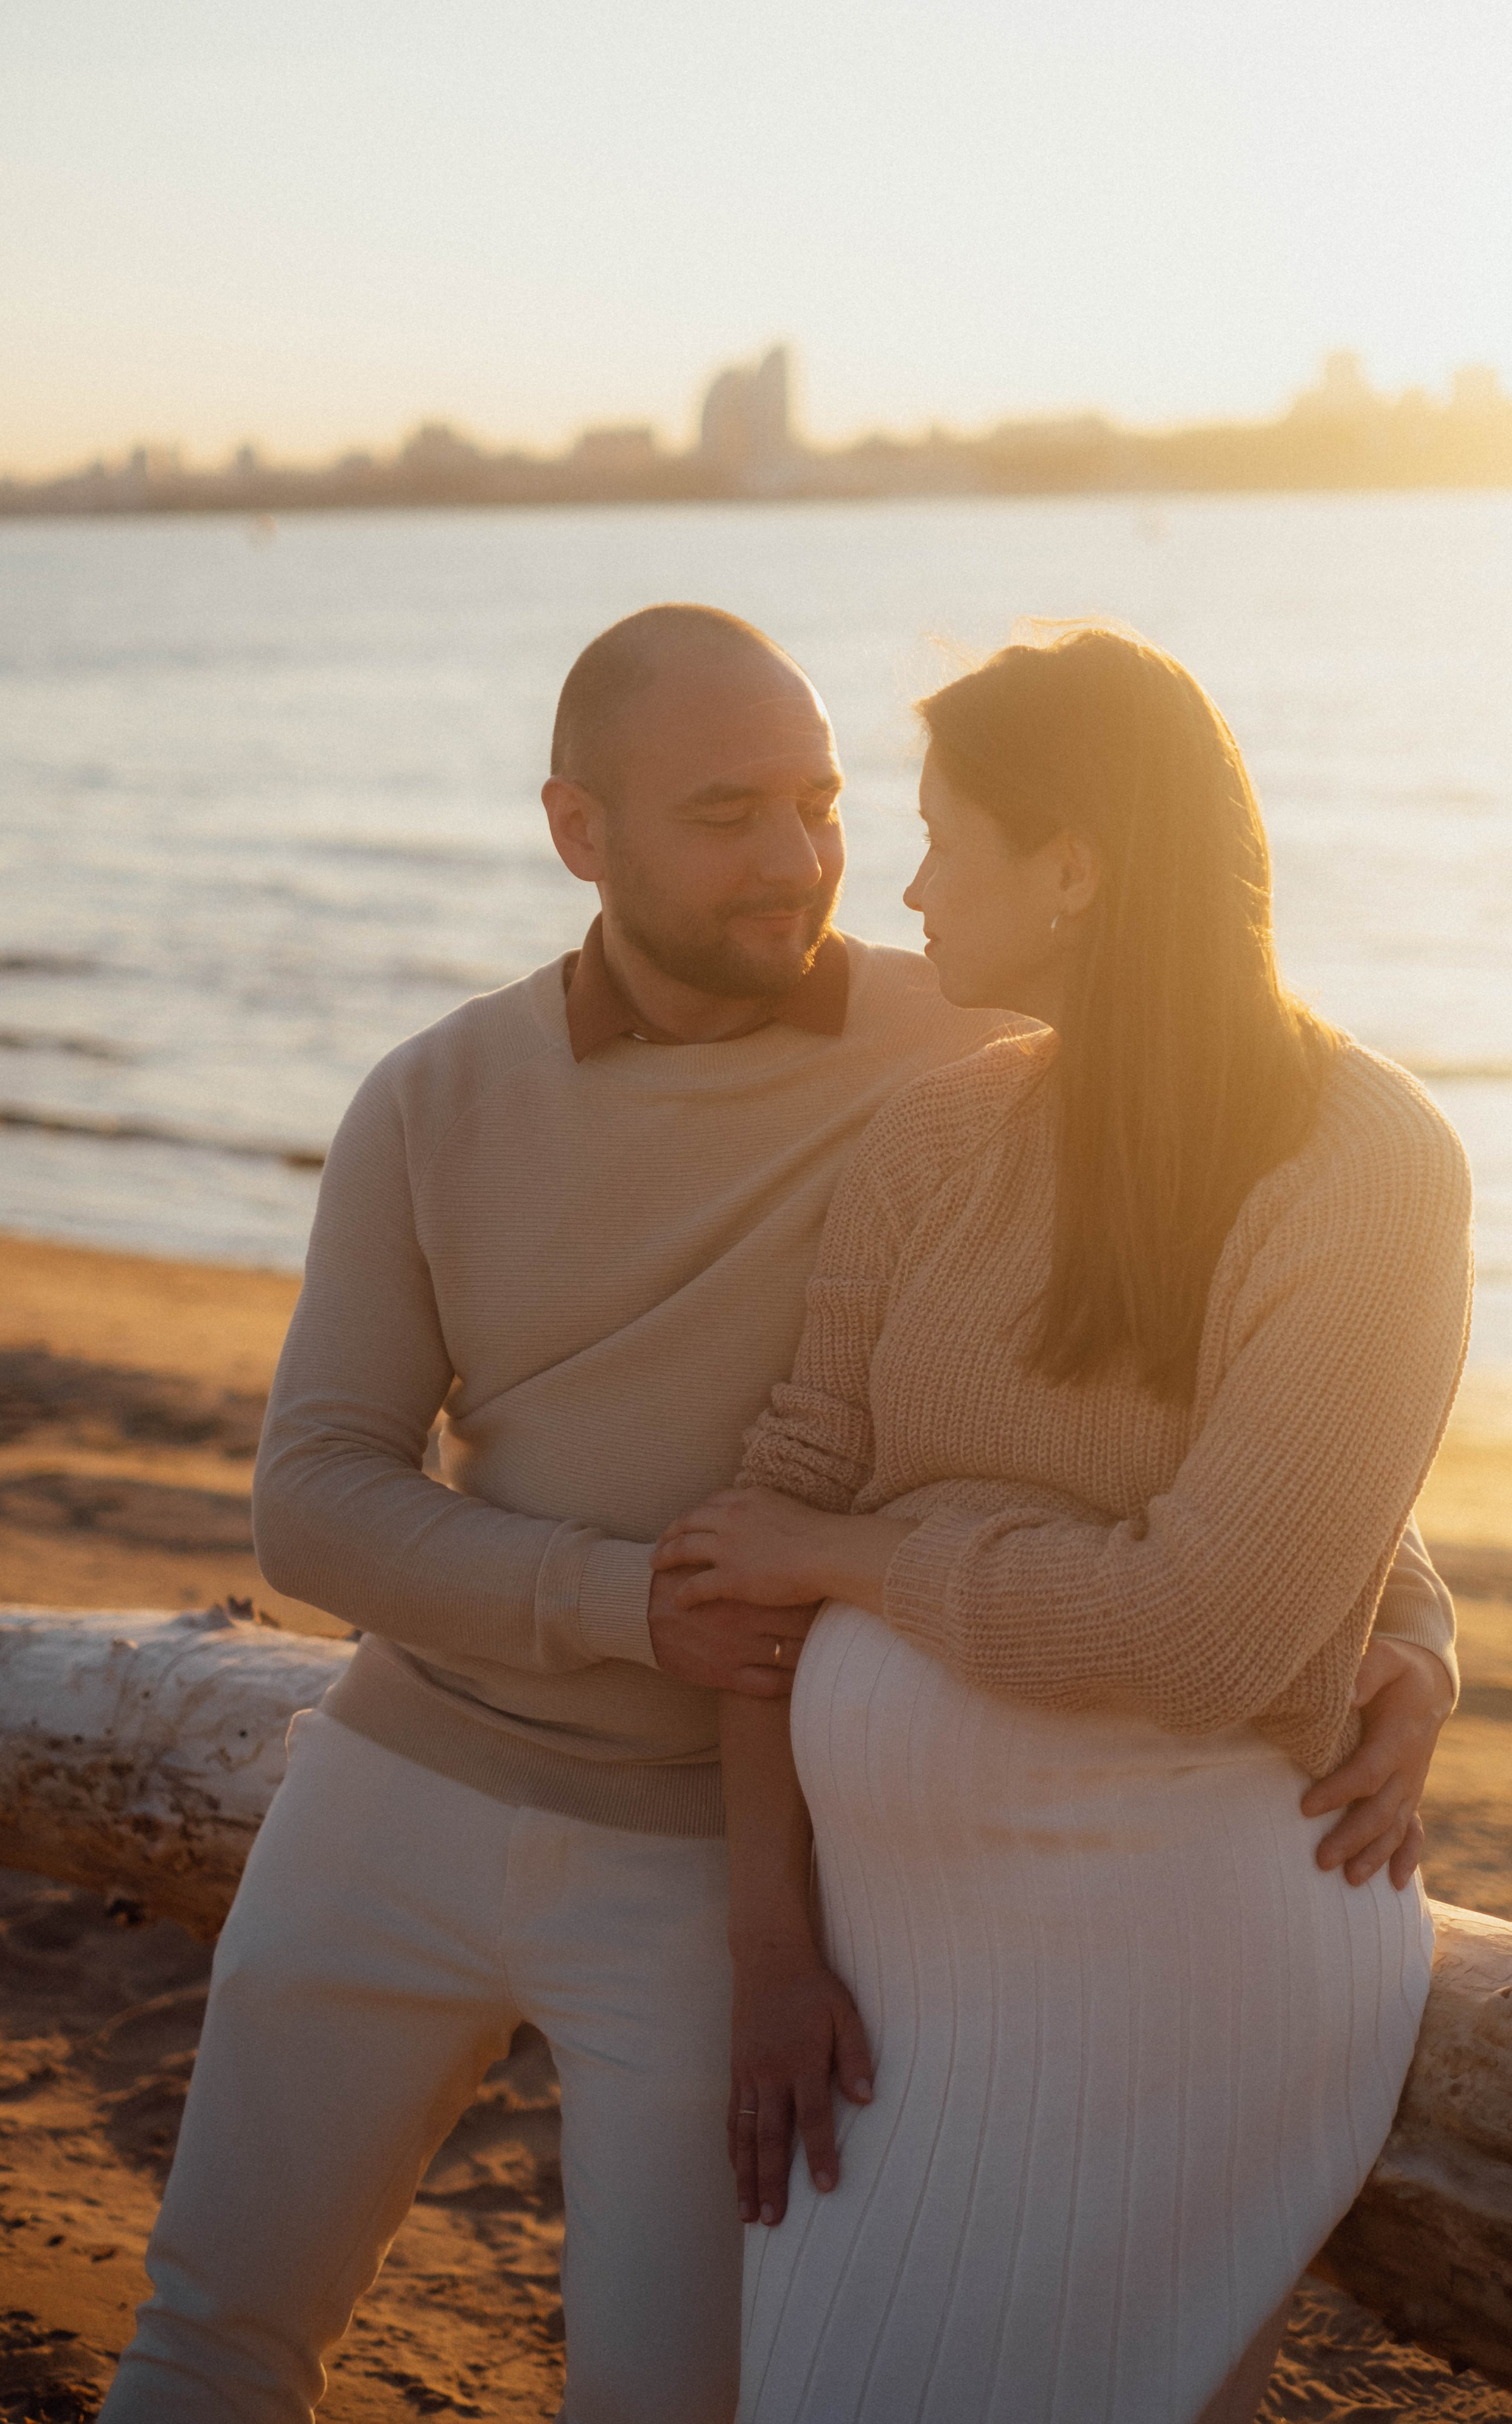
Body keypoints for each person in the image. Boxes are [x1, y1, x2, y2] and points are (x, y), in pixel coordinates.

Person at [100, 610, 1458, 2424]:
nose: (815, 865)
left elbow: (1250, 1400)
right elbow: (313, 1499)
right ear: (582, 831)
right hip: (403, 1776)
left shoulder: (955, 1032)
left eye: (828, 804)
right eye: (731, 814)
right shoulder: (436, 1097)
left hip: (706, 1862)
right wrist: (622, 1604)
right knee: (209, 2327)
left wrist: (1406, 1620)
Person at [655, 626, 1472, 2424]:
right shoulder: (938, 1140)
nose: (915, 880)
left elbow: (1199, 1632)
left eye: (948, 831)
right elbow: (754, 1539)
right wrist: (773, 1948)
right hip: (890, 1984)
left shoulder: (1369, 1158)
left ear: (1079, 868)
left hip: (1188, 1969)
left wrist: (860, 1561)